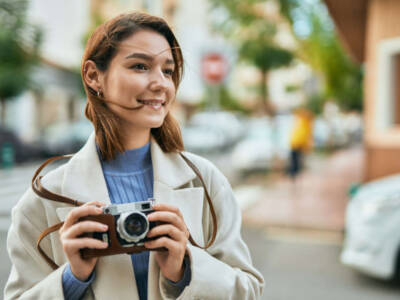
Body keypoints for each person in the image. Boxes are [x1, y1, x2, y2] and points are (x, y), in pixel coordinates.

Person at [4, 12, 264, 300]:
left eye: (167, 70)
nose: (161, 83)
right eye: (140, 66)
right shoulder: (43, 199)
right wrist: (71, 278)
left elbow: (248, 292)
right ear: (93, 76)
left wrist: (185, 270)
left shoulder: (206, 181)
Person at [288, 108, 313, 180]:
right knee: (296, 159)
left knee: (295, 159)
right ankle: (294, 172)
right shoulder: (304, 122)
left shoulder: (302, 122)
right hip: (297, 142)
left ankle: (294, 173)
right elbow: (308, 135)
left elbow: (306, 135)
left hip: (296, 142)